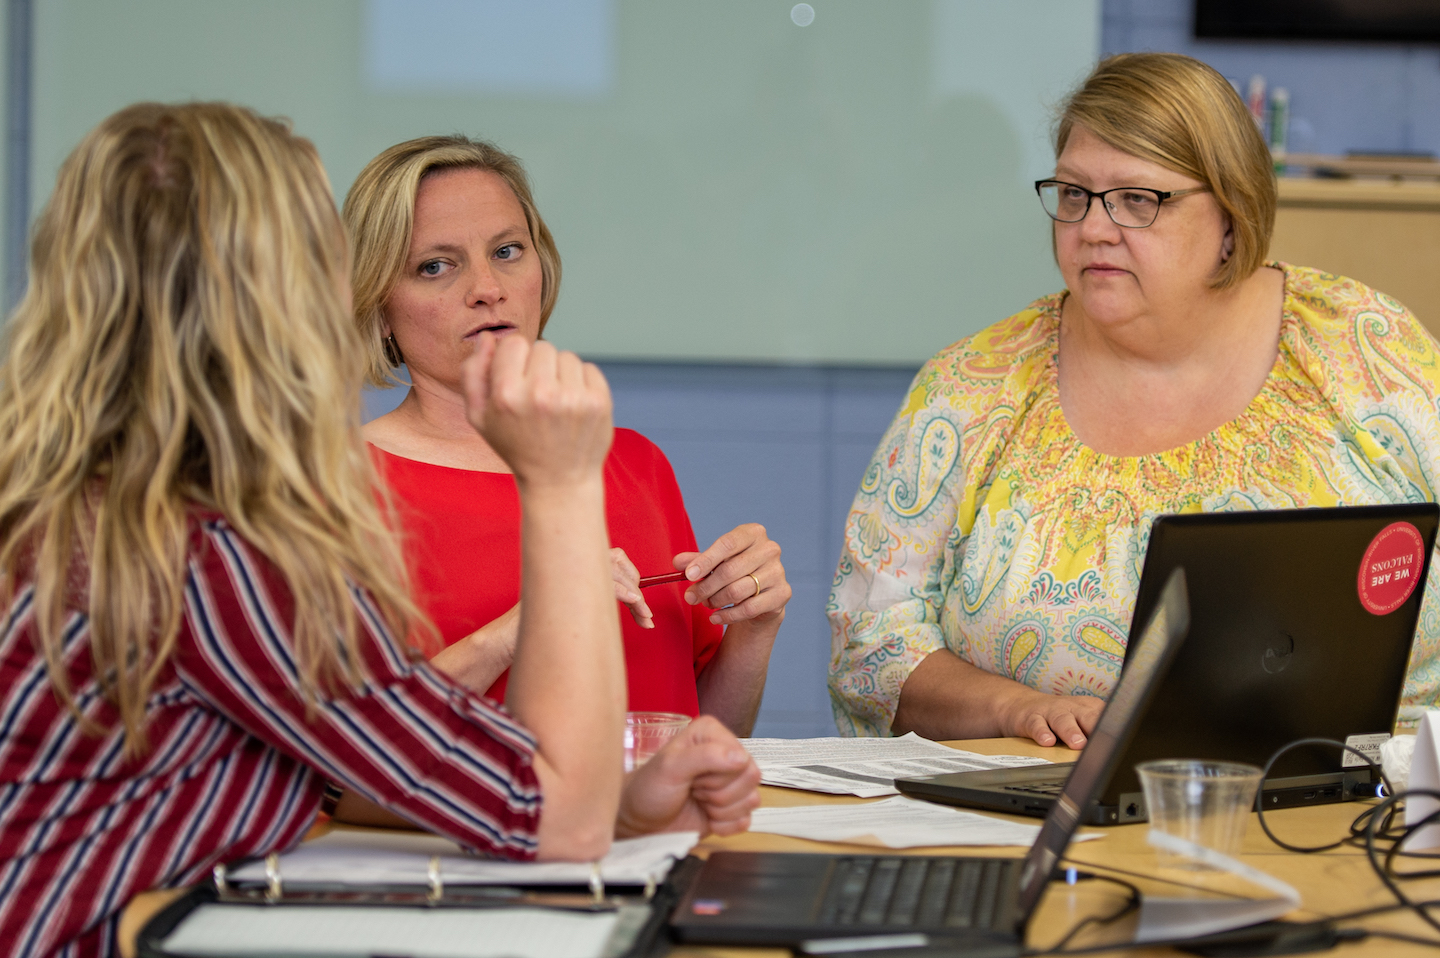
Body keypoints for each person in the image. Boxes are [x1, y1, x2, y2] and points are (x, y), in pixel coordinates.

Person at [0, 102, 759, 958]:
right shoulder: (214, 548)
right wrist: (559, 481)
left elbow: (404, 749)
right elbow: (556, 821)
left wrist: (621, 804)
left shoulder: (92, 502)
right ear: (277, 296)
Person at [829, 52, 1440, 745]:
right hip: (1042, 816)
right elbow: (871, 644)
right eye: (1073, 194)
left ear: (1233, 216)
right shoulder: (973, 385)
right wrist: (1014, 709)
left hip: (1369, 819)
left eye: (1136, 200)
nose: (1092, 227)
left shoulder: (1362, 347)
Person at [343, 136, 791, 735]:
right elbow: (347, 755)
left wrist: (753, 631)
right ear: (379, 304)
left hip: (653, 829)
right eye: (435, 266)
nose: (487, 287)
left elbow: (702, 735)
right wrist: (525, 626)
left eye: (507, 251)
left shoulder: (634, 463)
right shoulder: (338, 484)